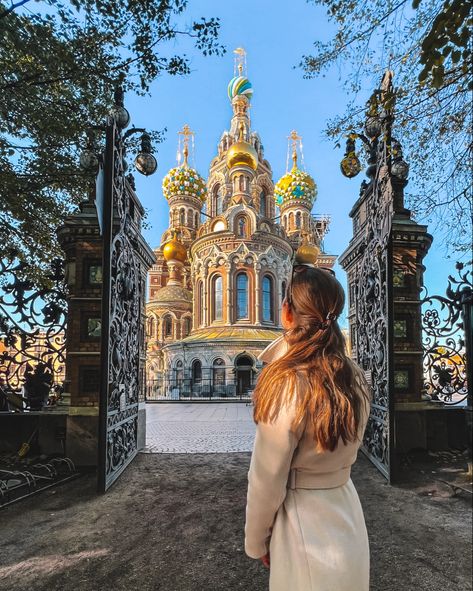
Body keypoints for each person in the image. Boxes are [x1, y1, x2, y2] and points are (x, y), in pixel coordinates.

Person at [245, 264, 371, 591]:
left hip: (304, 528)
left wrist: (257, 542)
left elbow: (266, 480)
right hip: (347, 514)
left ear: (286, 312)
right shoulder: (354, 377)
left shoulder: (288, 381)